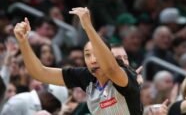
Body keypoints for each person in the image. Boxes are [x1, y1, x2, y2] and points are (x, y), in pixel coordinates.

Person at [13, 7, 143, 115]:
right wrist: (23, 42)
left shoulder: (126, 76)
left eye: (97, 54)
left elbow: (110, 69)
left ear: (109, 55)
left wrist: (88, 27)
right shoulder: (86, 77)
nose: (92, 60)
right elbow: (40, 73)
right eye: (87, 55)